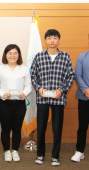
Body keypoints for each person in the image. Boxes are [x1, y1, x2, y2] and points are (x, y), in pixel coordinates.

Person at [30, 29, 74, 166]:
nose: (52, 40)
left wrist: (62, 90)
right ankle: (40, 155)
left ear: (59, 40)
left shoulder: (65, 56)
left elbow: (71, 76)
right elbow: (33, 76)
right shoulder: (39, 56)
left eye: (55, 38)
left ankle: (55, 156)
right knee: (41, 127)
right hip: (42, 98)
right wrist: (39, 88)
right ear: (45, 40)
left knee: (57, 128)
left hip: (58, 98)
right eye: (49, 38)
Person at [0, 44, 31, 162]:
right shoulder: (0, 69)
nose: (12, 55)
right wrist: (1, 94)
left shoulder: (24, 69)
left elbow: (28, 85)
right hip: (4, 104)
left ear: (19, 55)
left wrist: (24, 93)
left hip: (19, 104)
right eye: (10, 53)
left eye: (15, 53)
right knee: (5, 129)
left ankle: (15, 151)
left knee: (17, 129)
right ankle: (6, 151)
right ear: (6, 55)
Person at [71, 50, 89, 162]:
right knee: (83, 125)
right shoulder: (82, 56)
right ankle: (80, 151)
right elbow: (77, 75)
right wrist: (86, 90)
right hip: (84, 97)